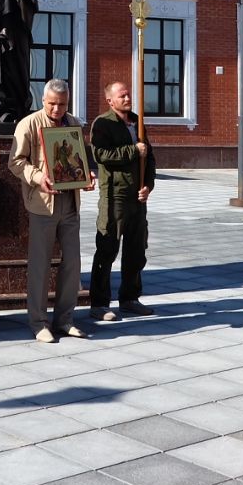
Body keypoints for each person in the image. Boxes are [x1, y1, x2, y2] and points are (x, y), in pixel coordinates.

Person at [10, 78, 93, 343]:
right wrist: (38, 177)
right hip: (42, 205)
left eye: (62, 104)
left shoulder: (73, 123)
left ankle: (65, 319)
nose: (57, 109)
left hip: (70, 203)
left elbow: (79, 158)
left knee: (73, 263)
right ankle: (38, 322)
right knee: (40, 264)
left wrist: (87, 176)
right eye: (52, 104)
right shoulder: (29, 124)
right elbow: (15, 162)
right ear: (43, 100)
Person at [88, 80, 156, 321]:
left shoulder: (138, 122)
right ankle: (99, 303)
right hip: (114, 195)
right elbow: (100, 154)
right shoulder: (103, 124)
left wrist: (148, 186)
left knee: (136, 250)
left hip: (137, 197)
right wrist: (133, 150)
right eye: (122, 96)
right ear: (110, 101)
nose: (127, 99)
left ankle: (130, 298)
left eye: (128, 95)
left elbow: (150, 158)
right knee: (107, 248)